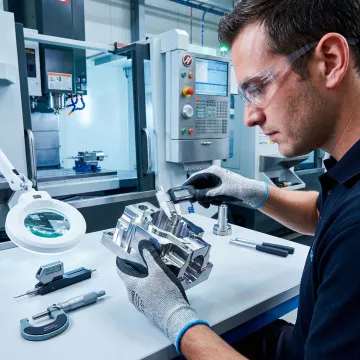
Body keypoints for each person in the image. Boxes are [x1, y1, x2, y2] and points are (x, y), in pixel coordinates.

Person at [116, 0, 360, 358]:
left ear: (331, 61)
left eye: (258, 87)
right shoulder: (348, 174)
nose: (249, 118)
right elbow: (322, 216)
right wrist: (250, 190)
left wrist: (175, 318)